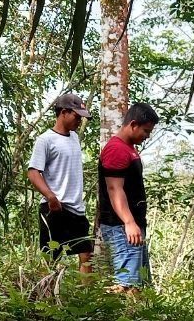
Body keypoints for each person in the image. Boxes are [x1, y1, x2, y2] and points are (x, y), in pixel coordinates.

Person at [28, 92, 93, 273]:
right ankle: (44, 296)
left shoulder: (74, 138)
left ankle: (86, 298)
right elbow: (34, 172)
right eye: (76, 116)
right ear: (63, 112)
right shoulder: (45, 140)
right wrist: (51, 197)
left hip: (76, 209)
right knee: (51, 256)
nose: (79, 121)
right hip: (55, 208)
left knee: (86, 254)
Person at [98, 103, 159, 290]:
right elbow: (114, 189)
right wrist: (129, 222)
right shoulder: (117, 149)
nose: (147, 136)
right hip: (121, 227)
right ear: (133, 124)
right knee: (126, 285)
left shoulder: (128, 148)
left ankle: (136, 319)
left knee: (138, 285)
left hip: (131, 226)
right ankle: (107, 316)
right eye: (145, 131)